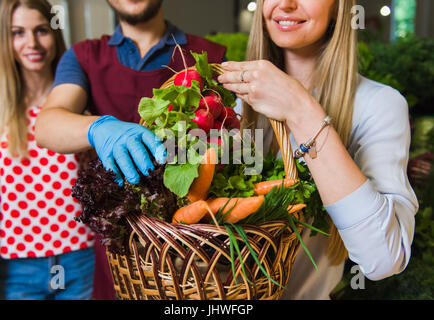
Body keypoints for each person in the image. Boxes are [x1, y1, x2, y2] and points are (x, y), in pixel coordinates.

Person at [218, 0, 418, 299]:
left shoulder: (378, 105)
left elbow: (384, 259)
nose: (285, 4)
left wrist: (301, 110)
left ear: (339, 7)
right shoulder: (229, 103)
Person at [35, 0, 226, 299]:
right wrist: (98, 127)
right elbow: (47, 125)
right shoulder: (84, 56)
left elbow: (232, 148)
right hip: (116, 253)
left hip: (190, 257)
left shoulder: (210, 56)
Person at [0, 0, 95, 300]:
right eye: (18, 32)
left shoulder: (79, 100)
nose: (31, 43)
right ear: (5, 40)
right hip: (15, 264)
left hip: (79, 255)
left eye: (41, 30)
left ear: (55, 33)